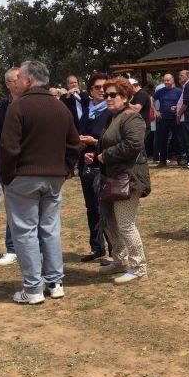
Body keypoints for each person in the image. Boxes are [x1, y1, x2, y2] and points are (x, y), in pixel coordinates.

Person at [0, 60, 81, 304]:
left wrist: (7, 177)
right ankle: (55, 283)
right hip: (53, 178)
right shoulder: (60, 108)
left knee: (25, 232)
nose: (18, 81)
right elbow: (74, 144)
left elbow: (8, 147)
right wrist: (64, 170)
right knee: (50, 230)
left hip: (23, 178)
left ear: (29, 80)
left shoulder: (18, 107)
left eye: (20, 77)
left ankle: (33, 288)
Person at [87, 77, 151, 283]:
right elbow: (107, 142)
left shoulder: (132, 117)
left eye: (113, 95)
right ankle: (120, 260)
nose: (108, 98)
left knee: (125, 224)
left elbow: (133, 145)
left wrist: (105, 156)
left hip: (129, 178)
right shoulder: (112, 117)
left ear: (125, 97)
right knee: (109, 222)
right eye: (106, 95)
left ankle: (139, 267)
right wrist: (95, 154)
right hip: (111, 177)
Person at [0, 67, 23, 266]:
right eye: (17, 78)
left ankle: (35, 246)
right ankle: (12, 248)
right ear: (8, 84)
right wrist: (1, 158)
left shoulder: (32, 103)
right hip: (8, 167)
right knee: (12, 208)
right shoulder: (2, 108)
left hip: (31, 167)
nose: (21, 81)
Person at [77, 72, 111, 262]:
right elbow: (79, 132)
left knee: (105, 208)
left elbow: (114, 140)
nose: (101, 90)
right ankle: (97, 247)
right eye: (97, 87)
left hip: (103, 165)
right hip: (86, 164)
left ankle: (115, 248)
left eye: (104, 87)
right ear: (90, 90)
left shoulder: (110, 111)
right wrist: (80, 142)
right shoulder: (87, 111)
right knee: (91, 208)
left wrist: (94, 142)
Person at [154, 73, 182, 167]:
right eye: (164, 80)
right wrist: (155, 111)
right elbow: (151, 99)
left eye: (167, 80)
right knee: (162, 140)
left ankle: (180, 159)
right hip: (163, 119)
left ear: (172, 80)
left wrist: (177, 108)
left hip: (175, 119)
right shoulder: (160, 91)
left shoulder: (178, 91)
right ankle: (162, 161)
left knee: (178, 140)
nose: (165, 82)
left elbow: (183, 103)